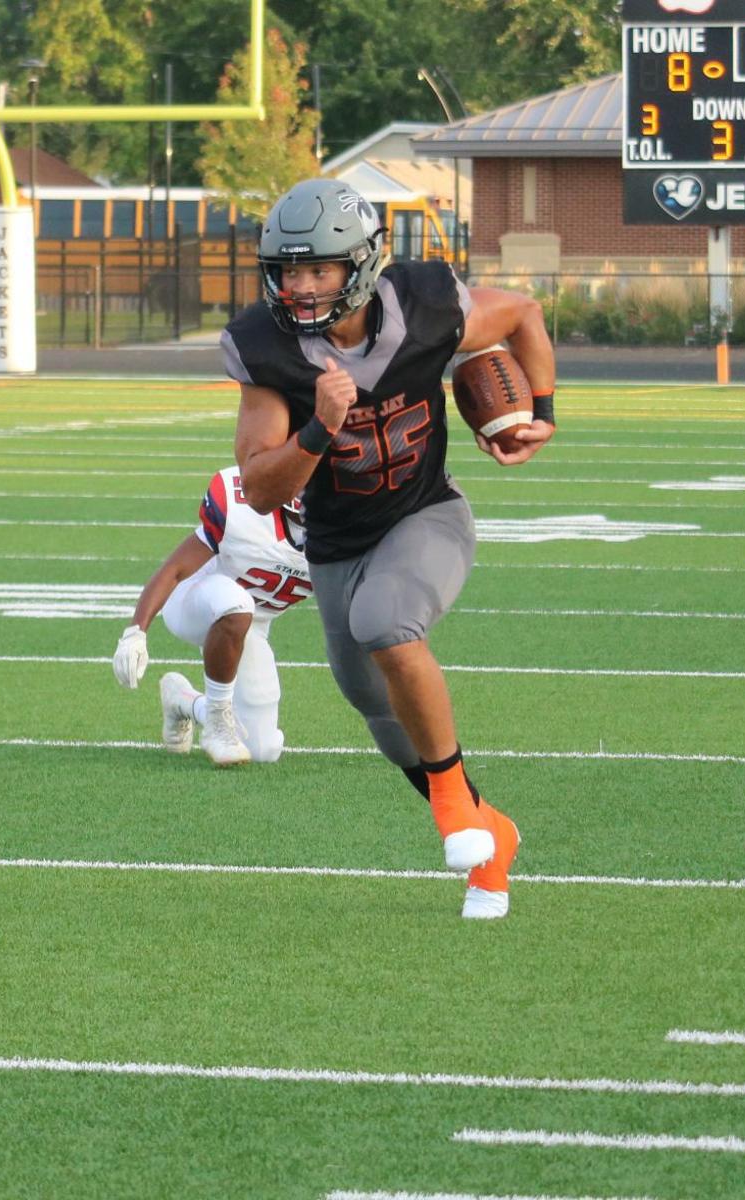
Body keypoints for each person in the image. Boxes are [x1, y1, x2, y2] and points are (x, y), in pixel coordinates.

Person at [220, 178, 556, 919]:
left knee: (388, 626)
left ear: (363, 264)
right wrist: (318, 428)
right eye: (288, 270)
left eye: (319, 270)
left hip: (425, 514)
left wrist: (543, 412)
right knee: (376, 709)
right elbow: (263, 487)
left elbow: (524, 316)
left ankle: (454, 816)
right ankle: (492, 835)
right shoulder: (269, 350)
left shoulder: (426, 303)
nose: (301, 288)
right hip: (337, 545)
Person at [111, 465, 311, 767]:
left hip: (250, 627)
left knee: (262, 750)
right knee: (237, 603)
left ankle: (184, 701)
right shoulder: (244, 510)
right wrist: (136, 631)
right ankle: (217, 723)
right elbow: (174, 569)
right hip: (195, 599)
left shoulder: (343, 538)